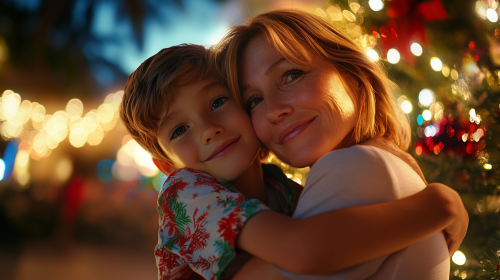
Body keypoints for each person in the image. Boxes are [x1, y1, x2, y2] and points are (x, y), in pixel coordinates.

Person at [120, 44, 467, 280]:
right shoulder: (186, 194)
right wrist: (438, 205)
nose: (209, 130)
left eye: (216, 103)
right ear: (166, 165)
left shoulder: (279, 188)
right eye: (180, 129)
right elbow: (305, 251)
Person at [214, 8, 467, 280]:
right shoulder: (373, 163)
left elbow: (303, 253)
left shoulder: (354, 166)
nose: (273, 110)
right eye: (254, 100)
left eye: (291, 75)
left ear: (353, 76)